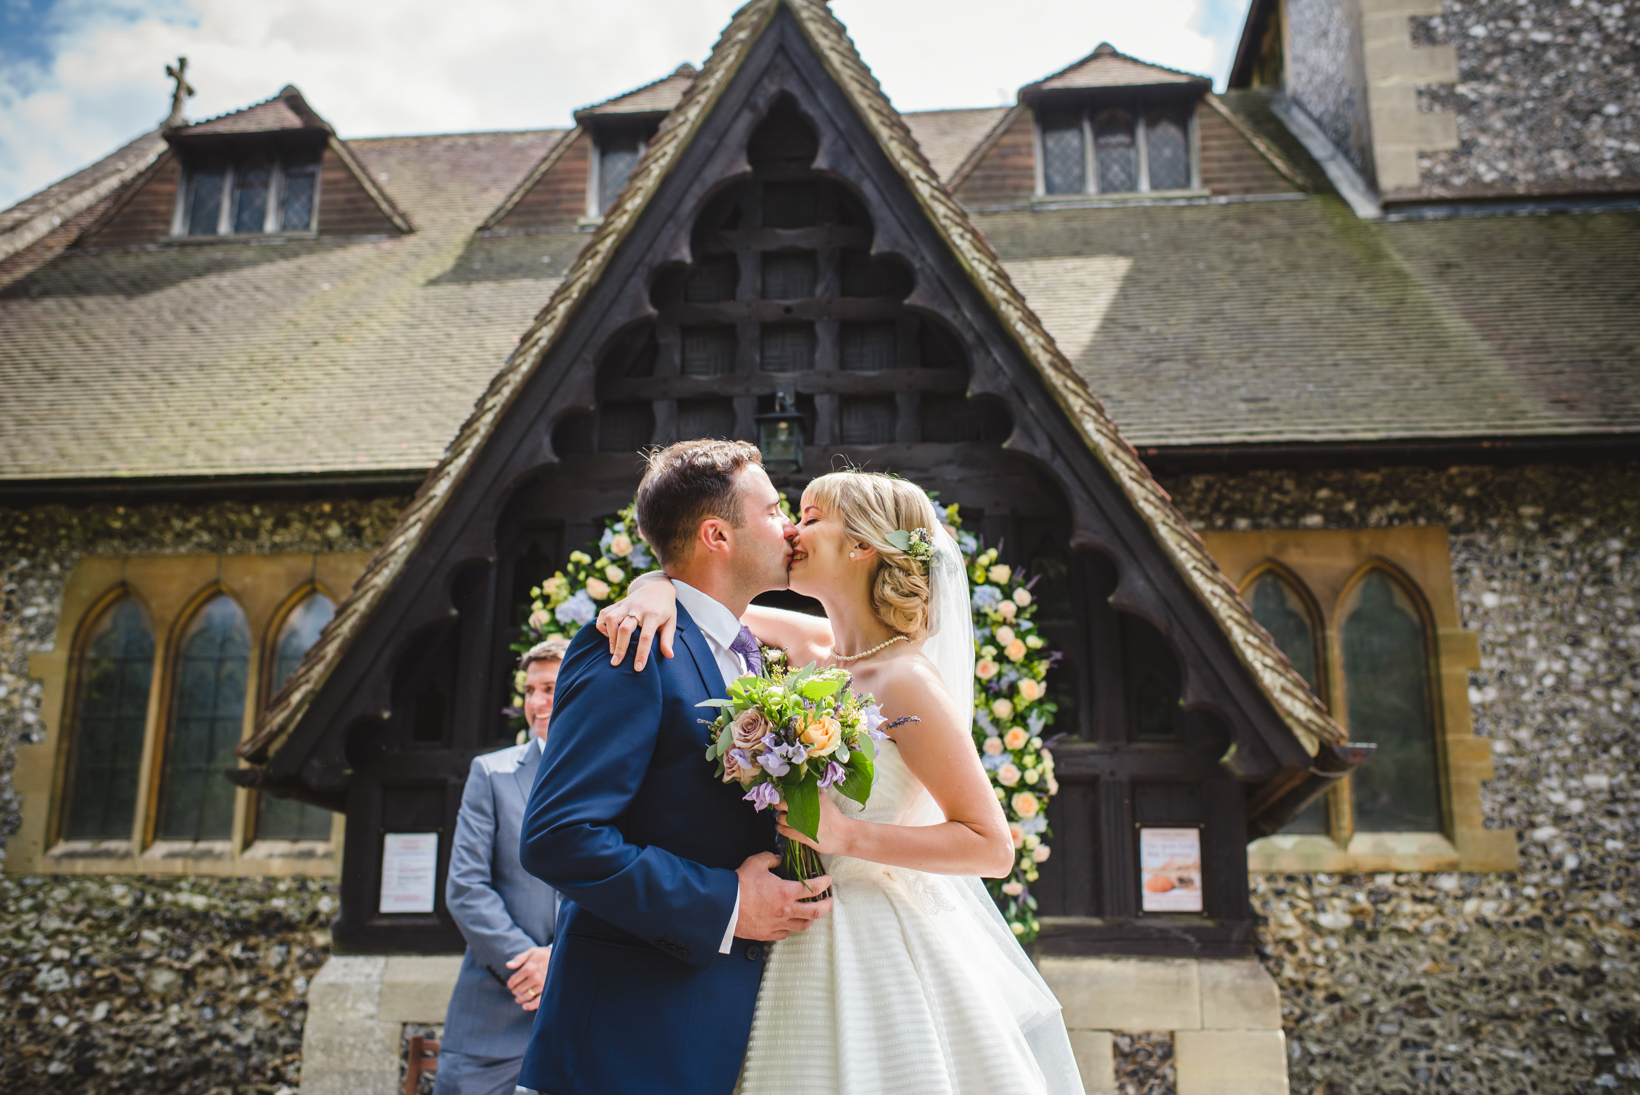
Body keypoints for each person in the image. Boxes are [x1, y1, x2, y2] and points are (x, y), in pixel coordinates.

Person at [597, 469, 1085, 1095]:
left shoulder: (907, 680)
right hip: (789, 928)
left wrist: (846, 834)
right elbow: (704, 601)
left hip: (875, 936)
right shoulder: (815, 649)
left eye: (813, 516)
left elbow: (991, 846)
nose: (794, 530)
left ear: (861, 547)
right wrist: (650, 586)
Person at [516, 439, 835, 1095]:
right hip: (625, 1050)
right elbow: (559, 836)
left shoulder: (746, 655)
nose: (791, 527)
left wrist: (655, 581)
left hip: (720, 1035)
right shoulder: (632, 645)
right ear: (717, 533)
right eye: (774, 510)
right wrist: (728, 903)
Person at [434, 638, 567, 1095]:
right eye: (529, 691)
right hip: (491, 1022)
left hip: (580, 1018)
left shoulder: (619, 776)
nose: (536, 702)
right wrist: (531, 966)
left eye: (549, 688)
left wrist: (561, 959)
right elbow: (466, 888)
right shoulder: (490, 775)